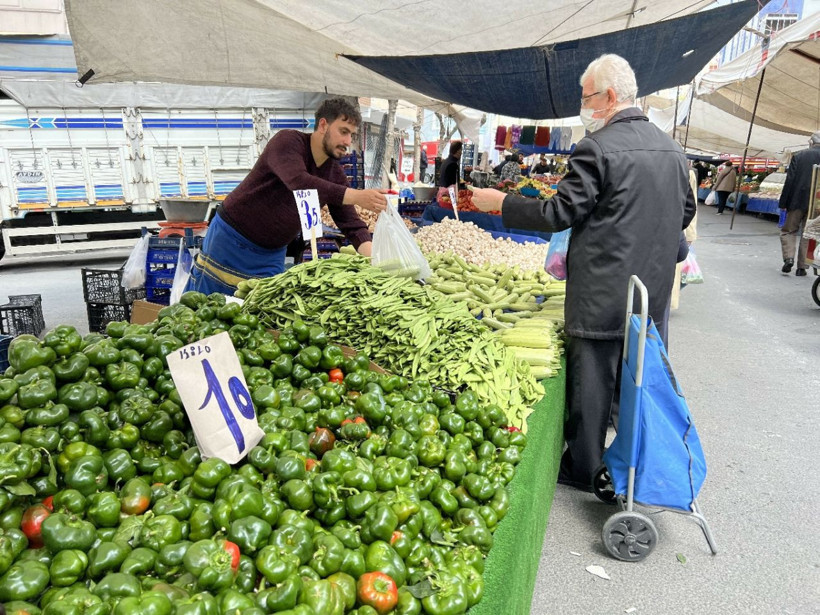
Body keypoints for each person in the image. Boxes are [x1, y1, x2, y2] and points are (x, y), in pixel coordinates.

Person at [470, 54, 696, 492]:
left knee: (591, 383)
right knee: (635, 377)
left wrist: (500, 204)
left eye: (586, 96)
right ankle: (633, 458)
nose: (583, 105)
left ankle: (584, 466)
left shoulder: (598, 147)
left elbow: (560, 211)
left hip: (602, 292)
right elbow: (683, 212)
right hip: (649, 292)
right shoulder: (672, 149)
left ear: (609, 97)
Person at [186, 98, 387, 295]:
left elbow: (352, 225)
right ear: (323, 125)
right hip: (232, 240)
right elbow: (298, 181)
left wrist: (379, 265)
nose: (348, 142)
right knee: (209, 306)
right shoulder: (288, 142)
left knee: (262, 313)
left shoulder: (335, 175)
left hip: (272, 254)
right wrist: (356, 195)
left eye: (351, 135)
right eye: (343, 132)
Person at [778, 132, 820, 276]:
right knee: (808, 233)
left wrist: (783, 202)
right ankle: (802, 267)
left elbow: (790, 181)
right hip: (817, 204)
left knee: (789, 230)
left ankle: (789, 257)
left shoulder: (799, 156)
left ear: (811, 142)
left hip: (796, 200)